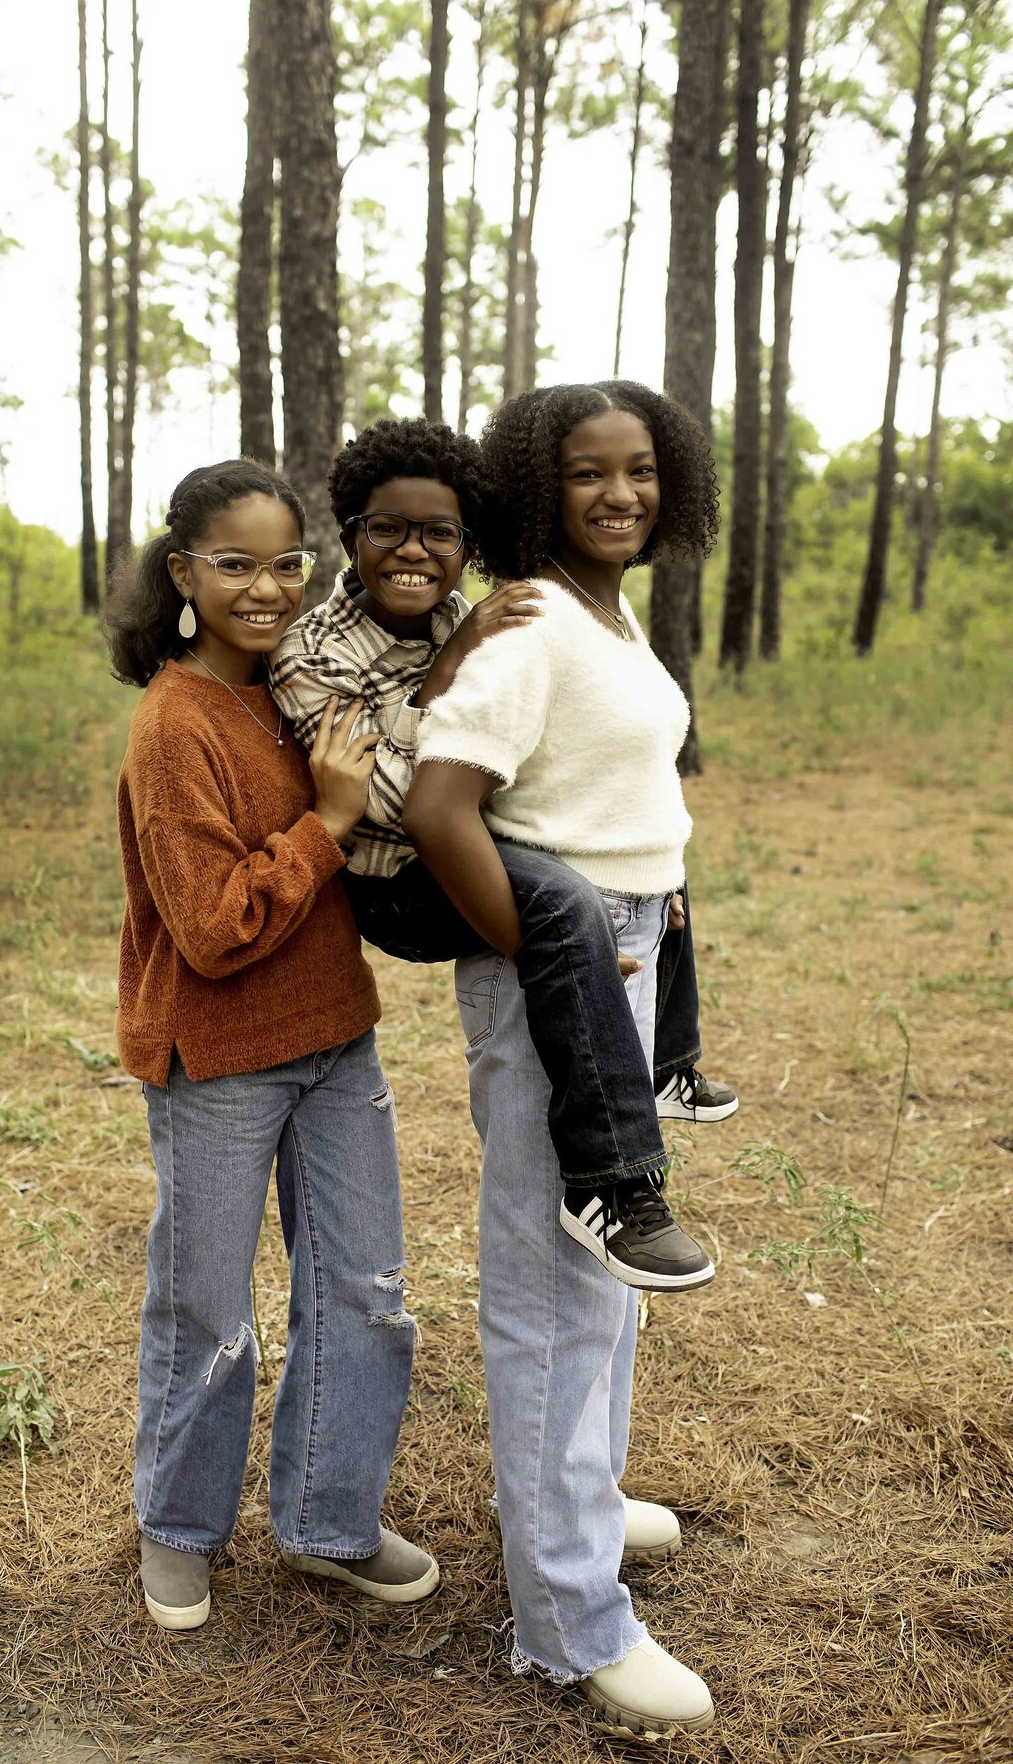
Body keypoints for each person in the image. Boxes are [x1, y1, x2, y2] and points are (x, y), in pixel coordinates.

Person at [401, 382, 720, 1736]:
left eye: (641, 471)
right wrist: (538, 958)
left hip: (624, 955)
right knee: (554, 1290)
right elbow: (438, 804)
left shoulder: (604, 604)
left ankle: (578, 1505)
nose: (621, 495)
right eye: (589, 475)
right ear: (540, 486)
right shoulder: (530, 620)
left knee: (607, 1287)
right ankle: (571, 1618)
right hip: (564, 974)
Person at [270, 417, 724, 1292]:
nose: (415, 551)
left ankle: (670, 1066)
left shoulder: (467, 614)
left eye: (440, 534)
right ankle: (615, 1186)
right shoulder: (313, 650)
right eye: (388, 529)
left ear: (468, 544)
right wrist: (449, 672)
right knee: (564, 906)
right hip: (395, 883)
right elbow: (388, 800)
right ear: (350, 534)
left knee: (647, 857)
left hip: (456, 848)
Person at [106, 459, 438, 1632]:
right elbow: (211, 927)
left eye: (287, 561)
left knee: (365, 1293)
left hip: (337, 1041)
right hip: (220, 1058)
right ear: (183, 571)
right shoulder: (173, 723)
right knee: (210, 1310)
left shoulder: (305, 690)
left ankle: (327, 1521)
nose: (267, 587)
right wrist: (328, 822)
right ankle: (179, 1530)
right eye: (235, 564)